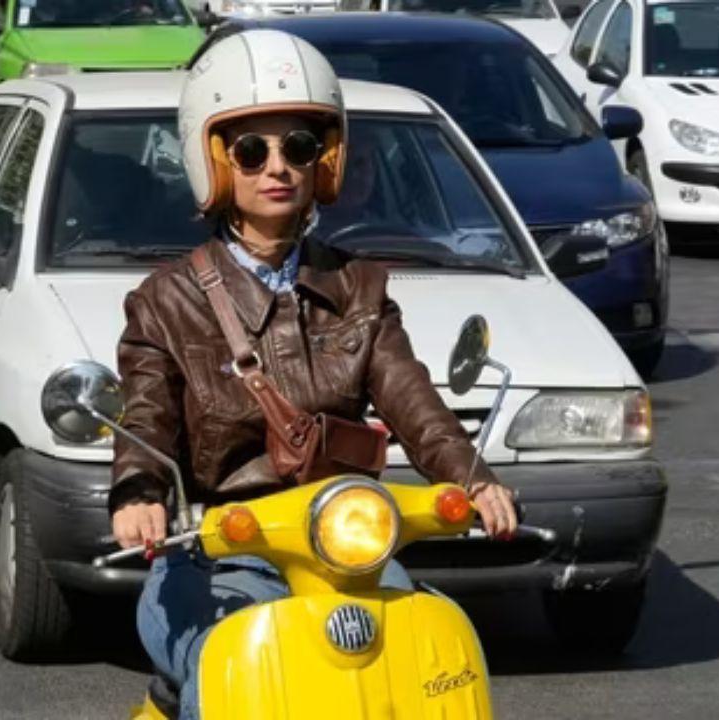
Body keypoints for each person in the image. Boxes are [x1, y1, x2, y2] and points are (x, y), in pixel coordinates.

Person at [108, 30, 519, 719]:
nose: (278, 166)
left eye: (299, 146)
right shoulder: (165, 301)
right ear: (214, 162)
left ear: (324, 161)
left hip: (347, 553)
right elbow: (145, 414)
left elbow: (411, 398)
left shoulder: (359, 287)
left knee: (427, 648)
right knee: (231, 657)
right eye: (251, 149)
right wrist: (138, 493)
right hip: (218, 555)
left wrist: (470, 475)